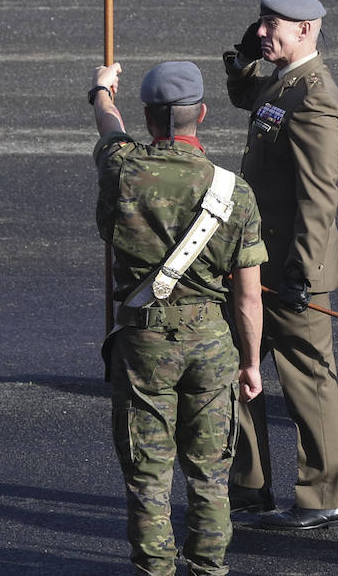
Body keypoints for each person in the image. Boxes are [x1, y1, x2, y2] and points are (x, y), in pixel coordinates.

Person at [91, 59, 265, 576]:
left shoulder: (122, 169)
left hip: (144, 339)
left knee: (148, 475)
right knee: (210, 475)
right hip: (211, 339)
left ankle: (156, 568)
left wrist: (102, 92)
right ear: (202, 115)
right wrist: (251, 360)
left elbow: (108, 128)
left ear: (148, 118)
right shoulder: (234, 191)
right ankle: (209, 568)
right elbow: (248, 296)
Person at [222, 0, 338, 530]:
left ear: (305, 30)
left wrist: (304, 269)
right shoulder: (282, 80)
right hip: (256, 259)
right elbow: (242, 95)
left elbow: (319, 193)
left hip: (294, 266)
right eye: (261, 23)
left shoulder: (315, 95)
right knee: (235, 371)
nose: (263, 32)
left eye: (272, 25)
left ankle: (323, 495)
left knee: (307, 380)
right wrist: (244, 51)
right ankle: (248, 488)